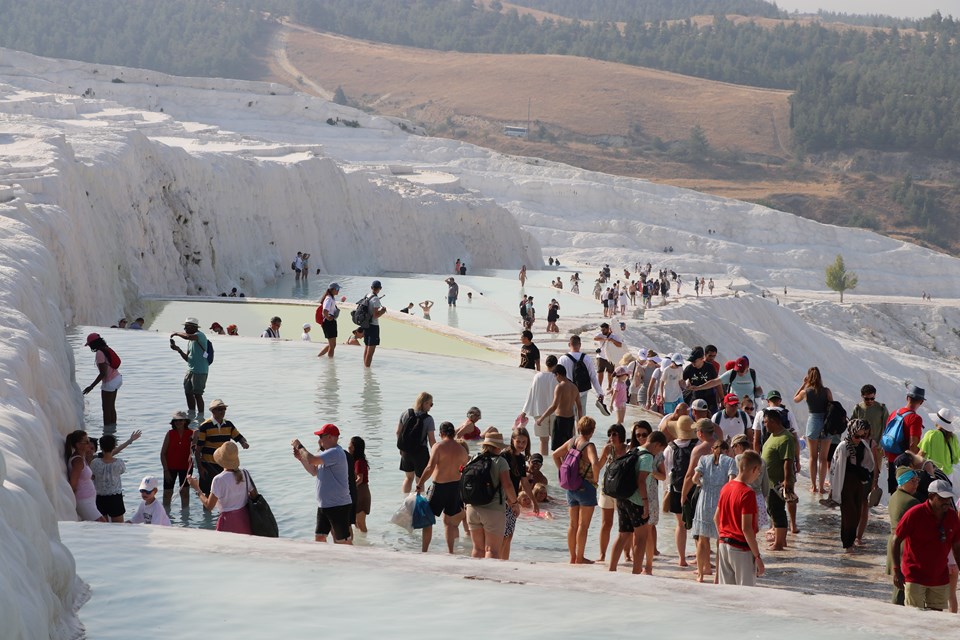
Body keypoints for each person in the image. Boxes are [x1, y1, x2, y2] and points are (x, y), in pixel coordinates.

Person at [893, 479, 960, 611]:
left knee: (936, 620)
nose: (946, 502)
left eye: (948, 498)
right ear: (930, 497)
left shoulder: (952, 517)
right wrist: (896, 570)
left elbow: (957, 547)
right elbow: (896, 541)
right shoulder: (914, 514)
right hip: (915, 576)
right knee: (913, 618)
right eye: (942, 499)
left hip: (940, 577)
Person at [292, 424, 354, 544]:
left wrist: (299, 446)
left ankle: (352, 561)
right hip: (324, 505)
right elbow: (314, 471)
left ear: (330, 437)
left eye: (321, 436)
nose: (319, 440)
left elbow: (312, 459)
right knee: (320, 538)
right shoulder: (326, 454)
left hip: (338, 505)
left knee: (342, 541)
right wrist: (301, 458)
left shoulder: (335, 452)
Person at [552, 416, 602, 564]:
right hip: (585, 487)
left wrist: (562, 471)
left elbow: (555, 455)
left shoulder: (572, 442)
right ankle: (580, 558)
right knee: (583, 526)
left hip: (570, 487)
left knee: (572, 524)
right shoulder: (589, 446)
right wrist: (596, 479)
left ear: (579, 428)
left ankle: (572, 557)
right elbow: (594, 463)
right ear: (592, 430)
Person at [415, 421, 470, 553]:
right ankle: (451, 552)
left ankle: (425, 551)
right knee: (450, 523)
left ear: (441, 433)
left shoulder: (438, 446)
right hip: (455, 488)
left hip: (439, 487)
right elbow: (465, 471)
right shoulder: (462, 450)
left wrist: (420, 483)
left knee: (428, 519)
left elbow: (430, 467)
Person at [714, 450, 766, 586]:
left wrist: (723, 536)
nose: (759, 474)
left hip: (723, 545)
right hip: (741, 548)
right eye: (759, 471)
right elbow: (747, 528)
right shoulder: (748, 493)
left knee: (727, 596)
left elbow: (716, 518)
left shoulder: (726, 487)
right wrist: (757, 557)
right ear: (754, 469)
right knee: (746, 595)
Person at [466, 429, 519, 559]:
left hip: (472, 508)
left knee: (477, 548)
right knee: (492, 550)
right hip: (493, 510)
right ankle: (489, 578)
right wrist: (515, 503)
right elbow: (507, 485)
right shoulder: (500, 462)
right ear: (497, 447)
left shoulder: (474, 458)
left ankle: (474, 576)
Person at [691, 436, 736, 582]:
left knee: (702, 540)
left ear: (713, 449)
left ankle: (700, 574)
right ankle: (717, 576)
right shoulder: (730, 461)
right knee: (719, 541)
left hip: (704, 499)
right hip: (720, 501)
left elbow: (694, 478)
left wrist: (702, 484)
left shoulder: (704, 459)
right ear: (727, 450)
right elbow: (731, 482)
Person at [829, 419, 874, 552]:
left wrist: (864, 473)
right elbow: (837, 468)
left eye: (862, 436)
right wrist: (834, 488)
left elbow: (868, 462)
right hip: (845, 483)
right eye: (857, 436)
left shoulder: (863, 445)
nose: (859, 439)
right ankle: (847, 543)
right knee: (848, 514)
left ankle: (851, 540)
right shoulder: (844, 446)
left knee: (857, 513)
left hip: (858, 483)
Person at [186, 441, 252, 534]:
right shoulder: (245, 473)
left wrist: (197, 488)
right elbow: (254, 494)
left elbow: (209, 506)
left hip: (228, 522)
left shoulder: (219, 479)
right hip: (245, 520)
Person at [193, 399, 250, 497]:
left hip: (225, 464)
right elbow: (198, 450)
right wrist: (200, 468)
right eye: (220, 409)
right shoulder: (205, 426)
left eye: (224, 409)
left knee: (225, 493)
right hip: (208, 465)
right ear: (213, 411)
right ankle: (208, 512)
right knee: (207, 493)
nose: (222, 411)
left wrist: (243, 443)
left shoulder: (228, 424)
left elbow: (239, 437)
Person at [793, 366, 834, 494]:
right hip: (825, 423)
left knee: (812, 457)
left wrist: (804, 384)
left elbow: (795, 399)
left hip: (813, 421)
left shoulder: (806, 392)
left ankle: (813, 486)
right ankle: (821, 487)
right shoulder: (827, 391)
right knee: (823, 458)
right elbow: (832, 406)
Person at [500, 427, 539, 559]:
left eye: (524, 442)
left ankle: (505, 562)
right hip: (503, 500)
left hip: (513, 501)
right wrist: (509, 501)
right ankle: (498, 564)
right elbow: (502, 481)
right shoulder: (504, 456)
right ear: (512, 440)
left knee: (509, 535)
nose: (521, 445)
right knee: (503, 536)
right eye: (519, 442)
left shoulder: (521, 459)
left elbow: (525, 483)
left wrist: (534, 501)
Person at [761, 407, 797, 551]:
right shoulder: (773, 435)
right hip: (769, 481)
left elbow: (787, 461)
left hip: (779, 482)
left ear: (774, 422)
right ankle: (780, 539)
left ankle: (779, 543)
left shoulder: (785, 438)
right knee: (772, 510)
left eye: (765, 422)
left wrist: (787, 481)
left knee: (777, 511)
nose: (764, 425)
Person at [887, 466, 921, 605]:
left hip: (893, 542)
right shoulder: (912, 502)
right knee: (902, 588)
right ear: (903, 482)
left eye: (917, 480)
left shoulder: (895, 496)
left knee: (899, 585)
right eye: (912, 481)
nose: (916, 484)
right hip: (903, 546)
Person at [90, 431, 142, 523]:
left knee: (102, 527)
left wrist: (130, 440)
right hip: (115, 498)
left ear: (101, 447)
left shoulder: (95, 463)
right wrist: (130, 440)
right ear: (114, 446)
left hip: (99, 497)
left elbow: (93, 474)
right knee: (119, 527)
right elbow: (121, 470)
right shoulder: (119, 463)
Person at [597, 423, 629, 563]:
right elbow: (598, 466)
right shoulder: (607, 449)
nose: (611, 437)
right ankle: (602, 554)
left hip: (623, 491)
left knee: (625, 525)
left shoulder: (628, 450)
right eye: (609, 434)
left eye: (614, 434)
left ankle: (627, 554)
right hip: (607, 490)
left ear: (621, 435)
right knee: (606, 523)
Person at [884, 386, 925, 494]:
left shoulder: (894, 413)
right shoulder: (915, 419)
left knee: (894, 493)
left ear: (907, 397)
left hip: (892, 459)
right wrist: (914, 463)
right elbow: (913, 444)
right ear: (921, 402)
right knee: (905, 495)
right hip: (904, 463)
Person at [397, 392, 437, 493]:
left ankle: (405, 501)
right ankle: (418, 503)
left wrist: (401, 448)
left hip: (406, 451)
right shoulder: (428, 419)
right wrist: (436, 453)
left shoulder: (405, 413)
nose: (431, 407)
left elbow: (398, 432)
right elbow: (431, 440)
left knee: (408, 478)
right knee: (420, 481)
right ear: (424, 403)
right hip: (420, 453)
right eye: (430, 404)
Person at [536, 365, 582, 451]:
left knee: (558, 449)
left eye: (555, 376)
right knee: (568, 447)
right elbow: (579, 407)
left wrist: (541, 418)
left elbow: (554, 406)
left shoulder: (560, 387)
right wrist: (579, 423)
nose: (555, 378)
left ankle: (560, 465)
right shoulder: (574, 387)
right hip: (570, 420)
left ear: (558, 374)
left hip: (560, 421)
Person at [170, 317, 209, 418]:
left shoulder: (200, 335)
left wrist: (176, 333)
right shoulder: (190, 342)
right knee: (188, 393)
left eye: (186, 327)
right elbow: (188, 359)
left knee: (198, 394)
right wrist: (178, 350)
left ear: (193, 327)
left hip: (200, 371)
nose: (185, 329)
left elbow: (187, 336)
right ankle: (191, 415)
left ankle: (201, 417)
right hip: (190, 371)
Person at [520, 355, 559, 455]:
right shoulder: (558, 377)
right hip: (556, 411)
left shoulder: (538, 376)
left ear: (546, 364)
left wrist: (524, 412)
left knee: (543, 441)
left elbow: (531, 394)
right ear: (556, 364)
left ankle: (543, 463)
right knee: (556, 441)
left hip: (540, 412)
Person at [558, 335, 604, 419]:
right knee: (581, 417)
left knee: (568, 417)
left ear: (569, 344)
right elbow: (593, 376)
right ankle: (581, 431)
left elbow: (558, 377)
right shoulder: (587, 358)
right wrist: (599, 392)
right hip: (582, 392)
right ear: (580, 345)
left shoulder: (563, 359)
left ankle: (571, 432)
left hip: (568, 392)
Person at [82, 333, 123, 427]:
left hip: (110, 381)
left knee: (106, 409)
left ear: (93, 344)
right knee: (111, 407)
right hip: (117, 378)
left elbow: (103, 373)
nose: (90, 347)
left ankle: (107, 433)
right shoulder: (106, 349)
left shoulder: (99, 353)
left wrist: (91, 387)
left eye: (89, 345)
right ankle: (113, 429)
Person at [65, 430, 105, 522]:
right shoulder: (77, 461)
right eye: (86, 442)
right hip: (83, 501)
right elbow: (73, 484)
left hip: (89, 500)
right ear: (78, 445)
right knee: (102, 524)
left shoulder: (82, 458)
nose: (89, 444)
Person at [160, 410, 194, 508]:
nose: (178, 422)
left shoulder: (192, 433)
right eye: (176, 421)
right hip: (170, 468)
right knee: (167, 494)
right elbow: (163, 454)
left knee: (185, 494)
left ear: (185, 421)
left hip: (186, 467)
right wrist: (166, 470)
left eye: (180, 420)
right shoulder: (170, 433)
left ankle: (185, 519)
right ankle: (166, 515)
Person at [918, 407, 959, 480]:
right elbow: (956, 458)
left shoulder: (931, 435)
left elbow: (921, 455)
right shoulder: (953, 438)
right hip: (948, 475)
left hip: (934, 473)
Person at [683, 346, 720, 414]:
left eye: (694, 361)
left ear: (702, 359)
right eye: (691, 361)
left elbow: (717, 382)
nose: (692, 363)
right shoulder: (689, 368)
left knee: (711, 420)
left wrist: (722, 398)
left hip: (710, 399)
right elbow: (681, 380)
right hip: (696, 399)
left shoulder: (710, 367)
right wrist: (685, 386)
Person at [348, 436, 371, 533]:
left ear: (353, 447)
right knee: (357, 523)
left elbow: (360, 479)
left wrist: (349, 488)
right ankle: (361, 542)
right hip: (359, 492)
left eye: (350, 444)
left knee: (361, 523)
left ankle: (366, 543)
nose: (348, 446)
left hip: (361, 493)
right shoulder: (356, 461)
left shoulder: (359, 462)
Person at [593, 323, 624, 390]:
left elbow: (620, 345)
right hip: (601, 356)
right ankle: (599, 386)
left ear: (607, 329)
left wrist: (612, 340)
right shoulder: (601, 334)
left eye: (604, 330)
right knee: (600, 371)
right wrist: (604, 339)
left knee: (610, 372)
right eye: (601, 330)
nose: (602, 331)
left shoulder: (613, 336)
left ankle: (609, 386)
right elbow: (595, 338)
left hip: (610, 357)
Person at [364, 280, 387, 368]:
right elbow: (376, 315)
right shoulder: (376, 299)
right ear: (380, 288)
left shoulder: (368, 295)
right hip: (373, 326)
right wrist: (383, 311)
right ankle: (367, 372)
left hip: (366, 325)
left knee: (366, 348)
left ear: (371, 288)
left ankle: (365, 368)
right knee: (371, 351)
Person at [316, 283, 341, 358]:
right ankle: (330, 362)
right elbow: (325, 310)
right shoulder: (328, 298)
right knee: (332, 345)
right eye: (337, 289)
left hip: (331, 322)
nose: (338, 291)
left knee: (333, 345)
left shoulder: (331, 298)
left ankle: (319, 356)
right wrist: (328, 317)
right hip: (328, 323)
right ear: (332, 289)